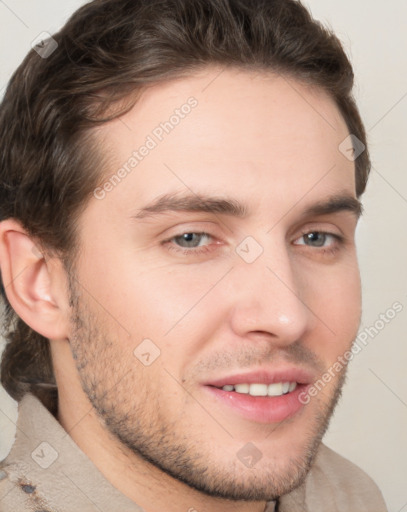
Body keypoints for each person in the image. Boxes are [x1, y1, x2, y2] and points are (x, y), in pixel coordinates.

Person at [0, 0, 387, 510]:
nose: (286, 316)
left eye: (316, 237)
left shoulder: (351, 498)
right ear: (40, 282)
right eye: (191, 238)